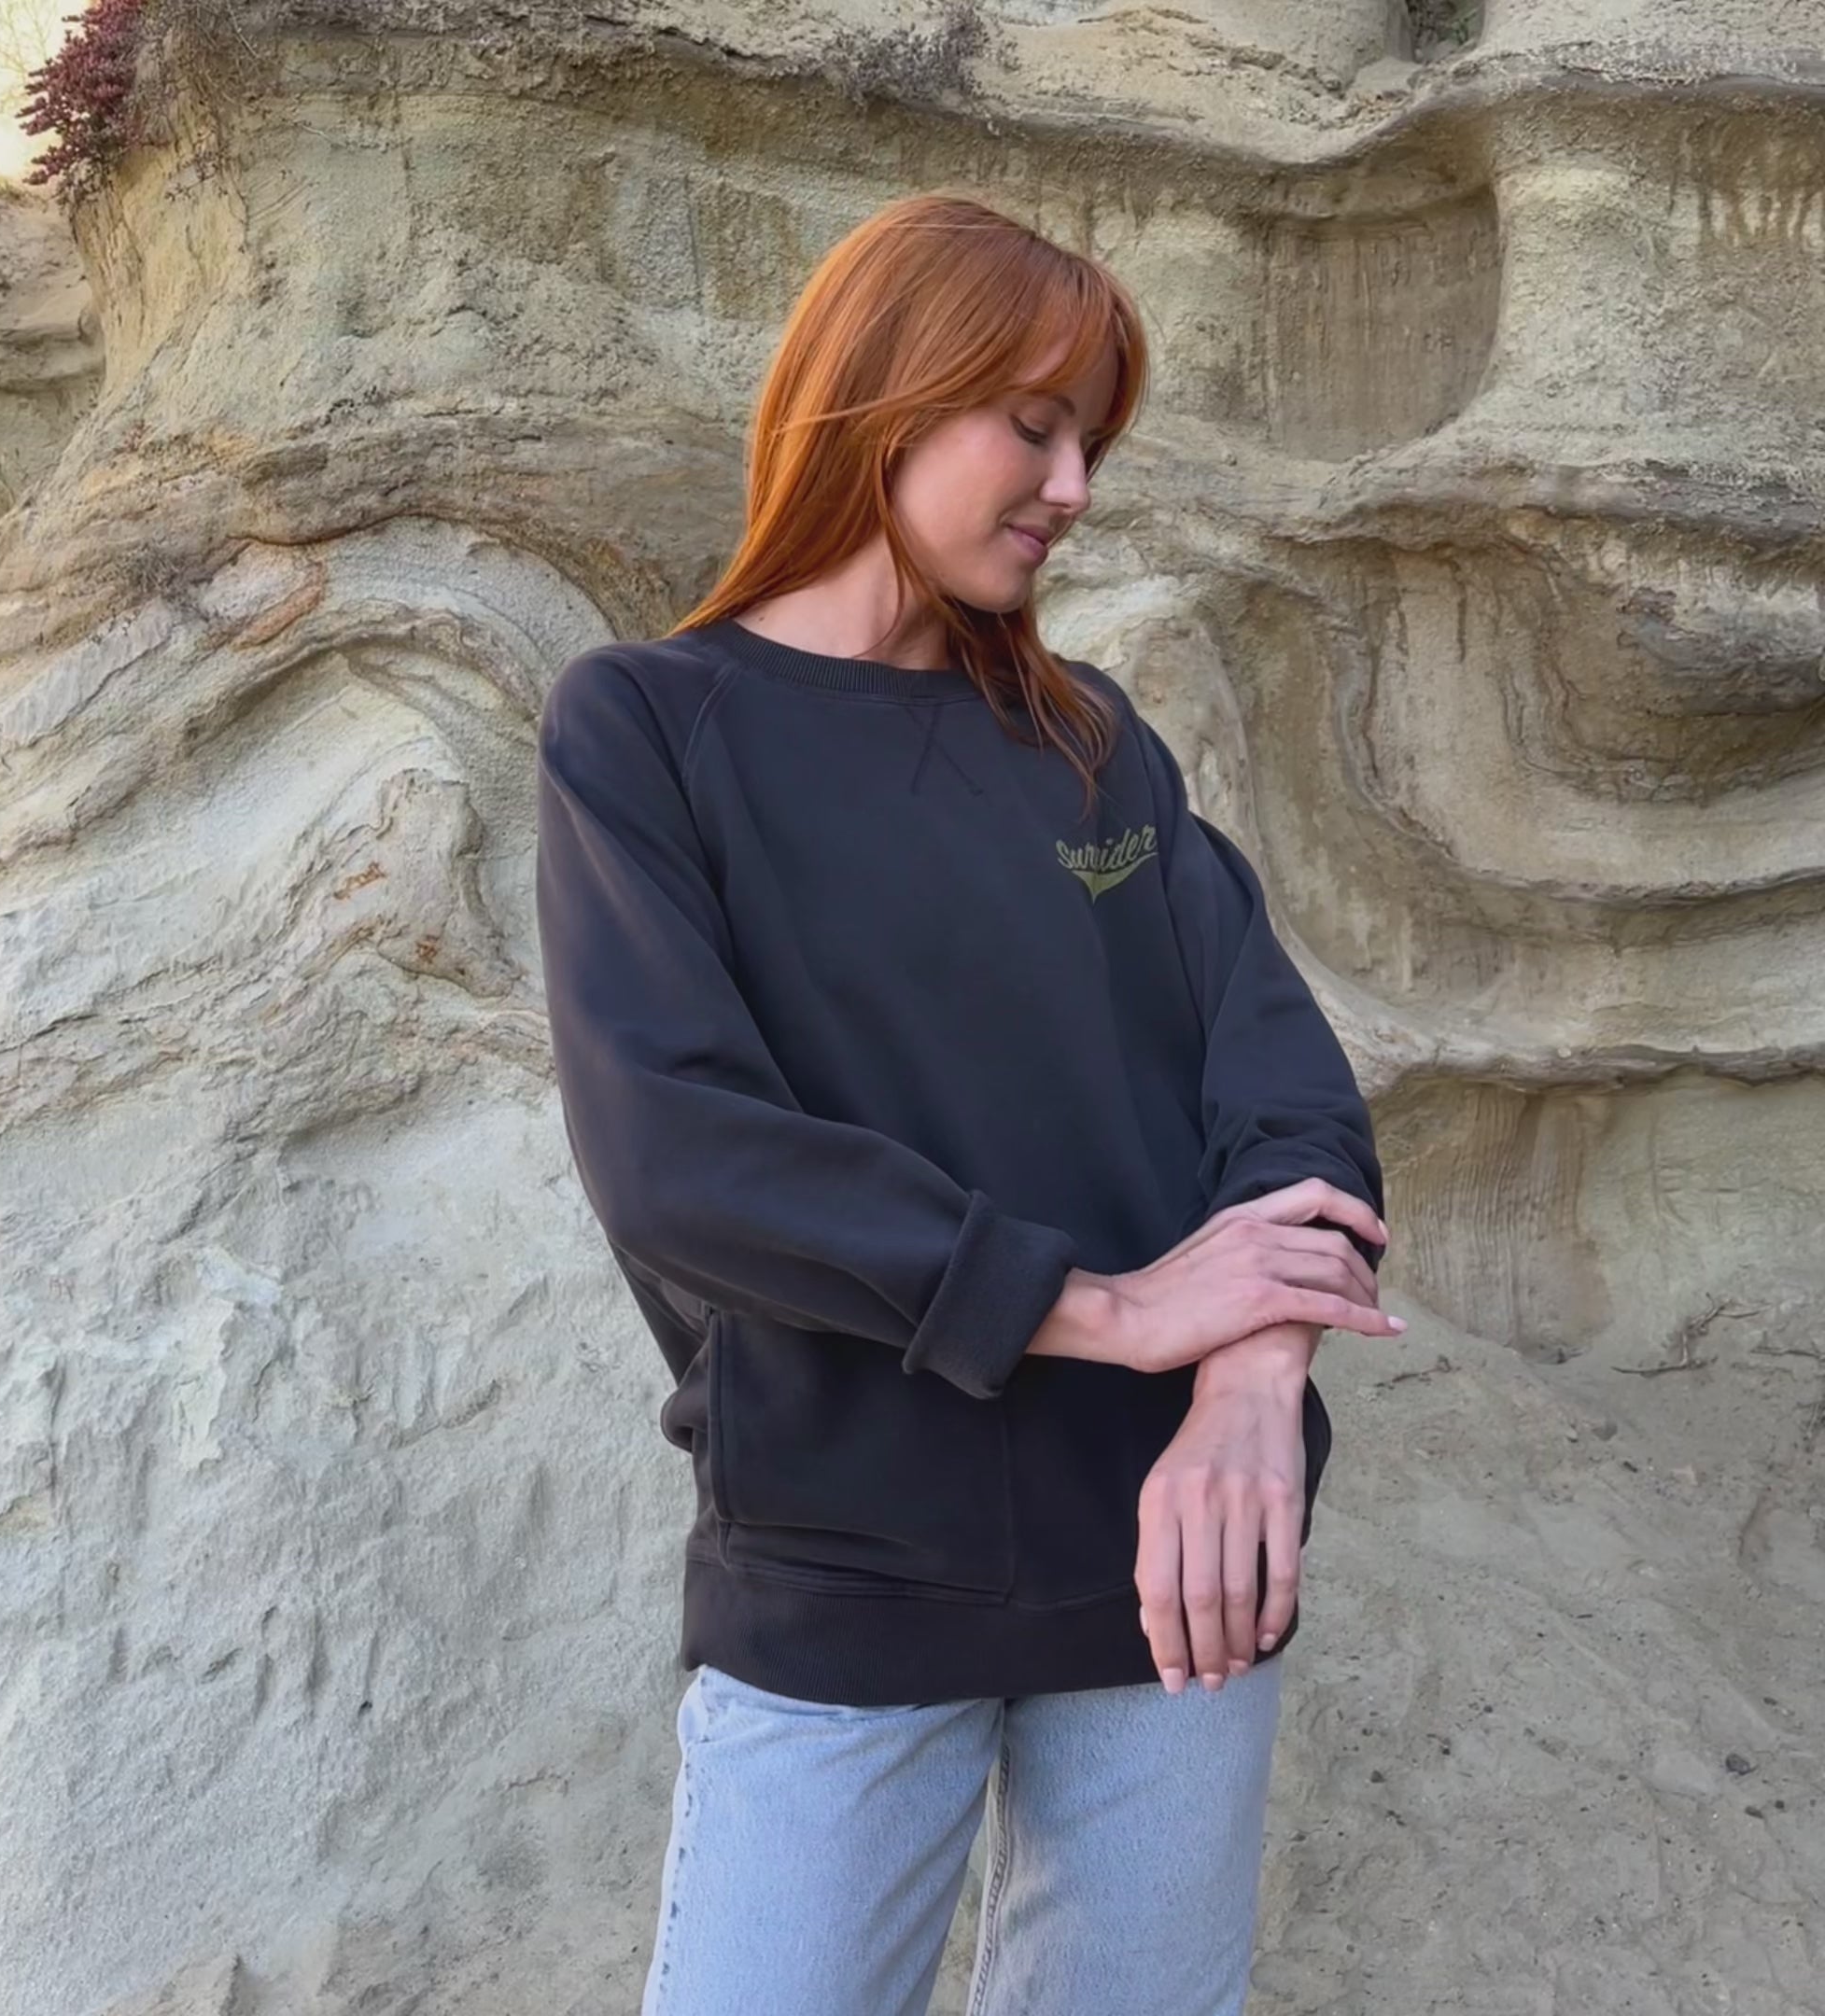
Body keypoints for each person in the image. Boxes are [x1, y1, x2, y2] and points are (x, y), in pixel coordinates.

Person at [533, 190, 1399, 2016]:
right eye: (1034, 424)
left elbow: (1287, 1095)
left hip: (1177, 1571)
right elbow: (681, 1155)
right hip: (850, 1570)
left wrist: (1249, 1388)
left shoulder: (1091, 745)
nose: (1074, 486)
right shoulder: (650, 728)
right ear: (885, 396)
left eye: (1093, 441)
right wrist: (1119, 1307)